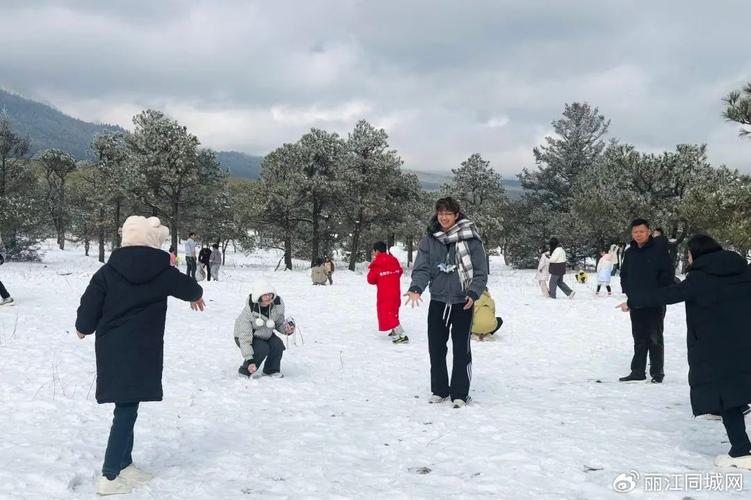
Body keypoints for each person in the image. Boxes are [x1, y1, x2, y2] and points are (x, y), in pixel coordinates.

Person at [75, 215, 205, 495]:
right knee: (126, 408)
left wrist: (83, 328)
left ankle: (125, 464)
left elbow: (89, 304)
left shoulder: (107, 272)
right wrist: (195, 296)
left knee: (127, 403)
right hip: (143, 348)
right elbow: (192, 288)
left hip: (111, 348)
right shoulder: (163, 272)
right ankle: (110, 476)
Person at [617, 234, 751, 469]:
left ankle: (740, 450)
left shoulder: (700, 278)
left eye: (688, 253)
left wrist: (634, 301)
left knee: (726, 394)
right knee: (737, 388)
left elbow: (666, 295)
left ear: (696, 253)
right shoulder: (743, 272)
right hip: (744, 340)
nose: (687, 257)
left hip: (716, 346)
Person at [405, 197, 488, 408]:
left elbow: (480, 272)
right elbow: (422, 268)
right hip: (439, 301)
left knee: (461, 349)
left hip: (463, 302)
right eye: (440, 213)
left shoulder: (471, 239)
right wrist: (416, 287)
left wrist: (473, 292)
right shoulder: (430, 239)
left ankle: (460, 393)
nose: (444, 217)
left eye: (448, 213)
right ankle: (440, 390)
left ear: (456, 215)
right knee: (436, 348)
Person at [618, 218, 674, 383]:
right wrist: (629, 292)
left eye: (642, 231)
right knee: (639, 336)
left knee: (655, 336)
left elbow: (667, 273)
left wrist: (660, 292)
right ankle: (637, 371)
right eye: (635, 232)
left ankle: (657, 372)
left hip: (655, 300)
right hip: (636, 301)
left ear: (648, 232)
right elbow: (624, 274)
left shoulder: (658, 250)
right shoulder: (630, 252)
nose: (638, 235)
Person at [233, 281, 294, 377]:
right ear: (258, 296)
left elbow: (278, 323)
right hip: (244, 336)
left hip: (265, 333)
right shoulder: (248, 312)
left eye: (270, 294)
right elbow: (244, 338)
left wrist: (286, 329)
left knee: (277, 344)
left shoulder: (277, 305)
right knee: (262, 348)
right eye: (264, 295)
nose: (268, 297)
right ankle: (245, 370)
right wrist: (250, 360)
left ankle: (271, 370)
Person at [367, 241, 407, 344]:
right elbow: (399, 271)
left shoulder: (377, 262)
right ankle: (394, 331)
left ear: (376, 251)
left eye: (374, 251)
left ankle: (401, 335)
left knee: (387, 313)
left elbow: (370, 279)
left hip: (385, 293)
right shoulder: (393, 259)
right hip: (395, 290)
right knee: (393, 311)